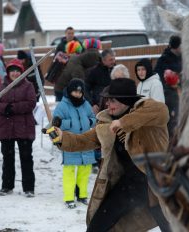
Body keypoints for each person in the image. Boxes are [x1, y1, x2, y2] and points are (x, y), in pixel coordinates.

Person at [52, 78, 171, 232]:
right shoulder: (107, 121)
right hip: (130, 184)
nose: (107, 104)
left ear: (125, 101)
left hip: (156, 182)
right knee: (98, 226)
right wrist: (63, 138)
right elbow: (84, 140)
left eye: (112, 100)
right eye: (107, 100)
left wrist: (123, 123)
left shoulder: (148, 111)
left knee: (169, 223)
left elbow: (162, 111)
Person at [0, 59, 37, 197]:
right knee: (8, 157)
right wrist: (5, 108)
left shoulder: (28, 86)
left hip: (24, 127)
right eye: (12, 71)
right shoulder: (2, 86)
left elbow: (31, 103)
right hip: (6, 127)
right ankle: (7, 186)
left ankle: (29, 188)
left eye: (17, 71)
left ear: (22, 72)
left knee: (26, 157)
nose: (15, 73)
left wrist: (14, 107)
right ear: (8, 72)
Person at [52, 78, 96, 209]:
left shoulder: (86, 104)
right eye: (75, 92)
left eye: (80, 92)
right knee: (69, 170)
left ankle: (82, 195)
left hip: (85, 141)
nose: (77, 94)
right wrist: (68, 124)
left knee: (85, 169)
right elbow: (56, 123)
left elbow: (93, 118)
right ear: (70, 91)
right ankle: (69, 197)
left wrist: (88, 122)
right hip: (69, 141)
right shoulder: (62, 105)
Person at [154, 35, 182, 140]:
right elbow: (157, 74)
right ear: (177, 47)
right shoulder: (164, 59)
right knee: (171, 119)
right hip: (169, 93)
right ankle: (169, 139)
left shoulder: (182, 58)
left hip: (182, 92)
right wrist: (169, 82)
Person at [85, 49, 116, 114]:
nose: (113, 61)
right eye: (111, 60)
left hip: (114, 107)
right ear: (103, 60)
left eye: (114, 59)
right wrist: (92, 104)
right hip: (99, 108)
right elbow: (85, 89)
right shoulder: (94, 72)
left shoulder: (116, 70)